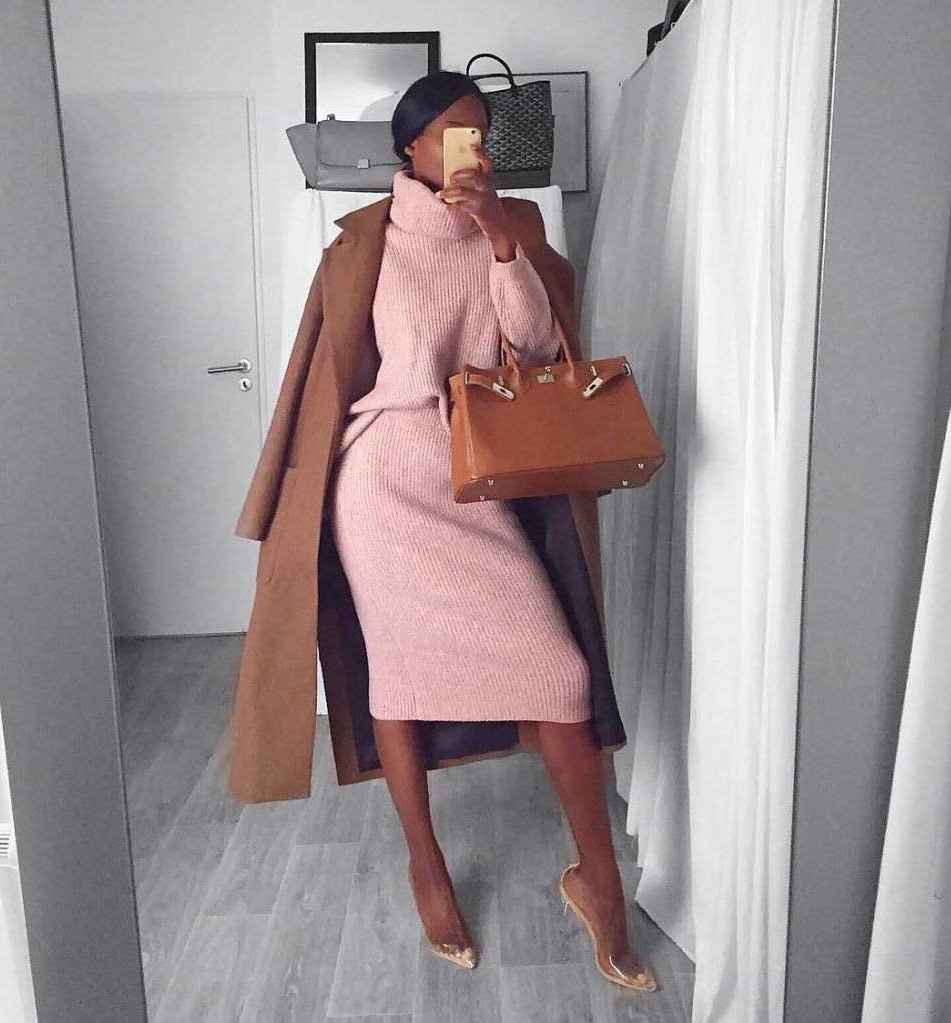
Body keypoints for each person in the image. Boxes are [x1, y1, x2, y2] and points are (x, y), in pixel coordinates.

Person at [326, 69, 656, 992]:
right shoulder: (368, 241)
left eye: (477, 131)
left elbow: (539, 351)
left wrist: (497, 236)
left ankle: (598, 882)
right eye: (448, 133)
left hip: (471, 487)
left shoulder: (511, 226)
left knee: (558, 671)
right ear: (410, 149)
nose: (468, 147)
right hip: (382, 486)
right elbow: (346, 368)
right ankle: (425, 865)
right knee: (395, 680)